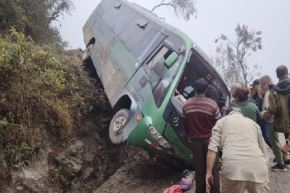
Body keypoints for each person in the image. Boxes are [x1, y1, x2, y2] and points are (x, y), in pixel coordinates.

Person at [206, 107, 269, 193]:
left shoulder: (221, 122)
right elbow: (263, 149)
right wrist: (264, 168)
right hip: (257, 167)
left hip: (233, 169)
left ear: (228, 114)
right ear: (241, 114)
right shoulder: (253, 123)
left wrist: (209, 172)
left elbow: (212, 148)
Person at [182, 78, 221, 193]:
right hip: (210, 141)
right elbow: (218, 124)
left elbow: (185, 123)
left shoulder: (186, 105)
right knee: (213, 170)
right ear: (206, 89)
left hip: (195, 142)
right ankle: (215, 191)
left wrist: (189, 135)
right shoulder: (213, 105)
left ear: (194, 88)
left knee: (199, 170)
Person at [268, 65, 290, 171]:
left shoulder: (273, 91)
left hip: (282, 122)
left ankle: (284, 161)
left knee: (286, 140)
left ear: (277, 75)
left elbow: (273, 109)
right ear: (287, 72)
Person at [258, 75, 272, 148]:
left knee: (267, 138)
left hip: (267, 119)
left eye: (260, 83)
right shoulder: (268, 93)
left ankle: (282, 155)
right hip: (268, 118)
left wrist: (261, 114)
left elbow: (266, 108)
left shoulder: (268, 93)